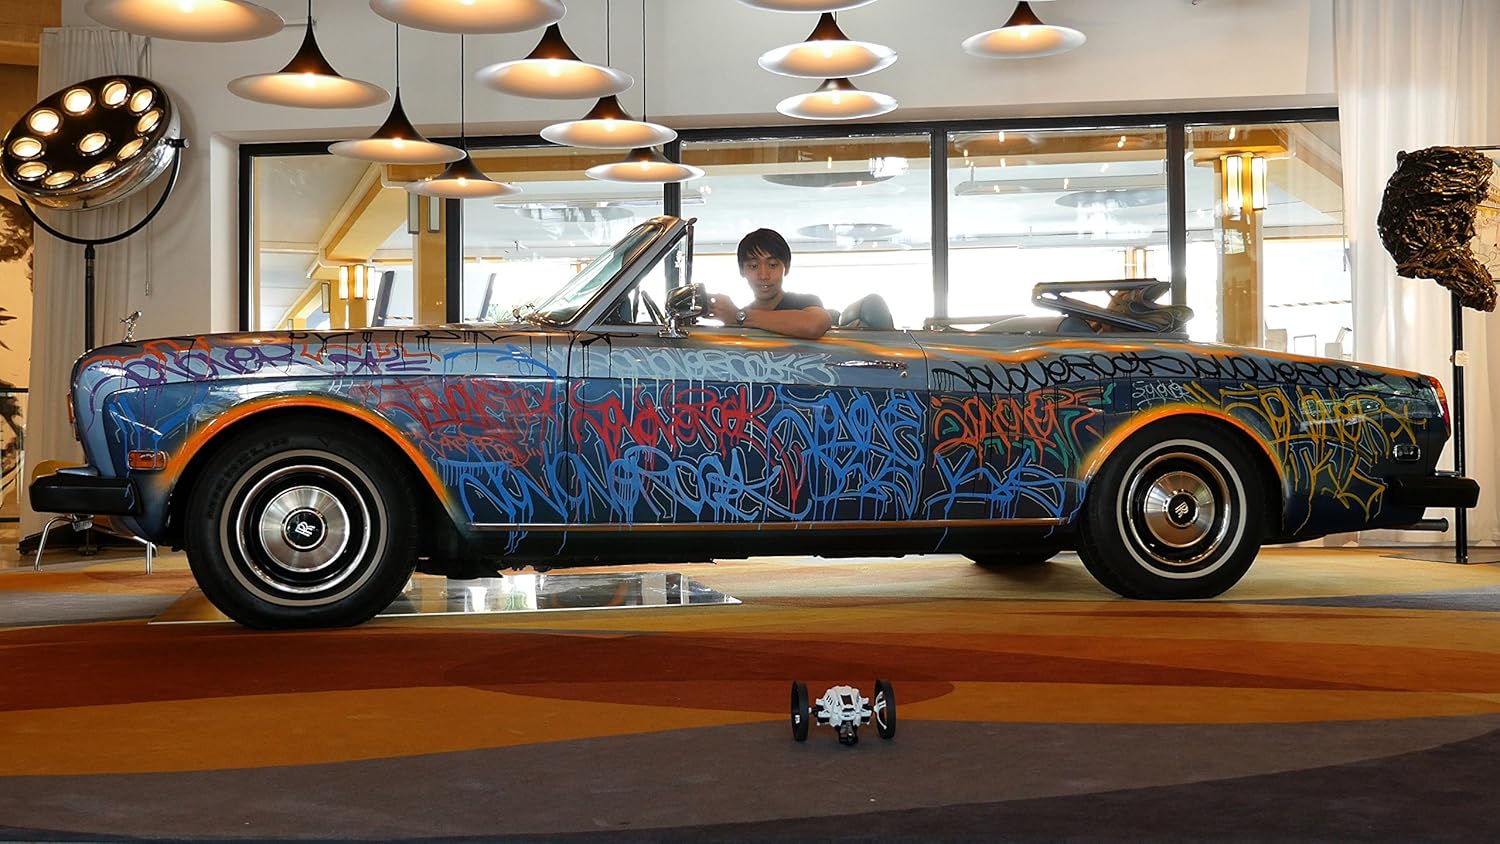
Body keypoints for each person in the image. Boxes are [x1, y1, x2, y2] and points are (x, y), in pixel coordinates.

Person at [705, 228, 833, 340]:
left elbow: (814, 325)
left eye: (772, 265)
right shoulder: (738, 317)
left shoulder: (805, 303)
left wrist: (738, 316)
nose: (763, 276)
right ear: (742, 271)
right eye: (753, 266)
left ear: (786, 268)